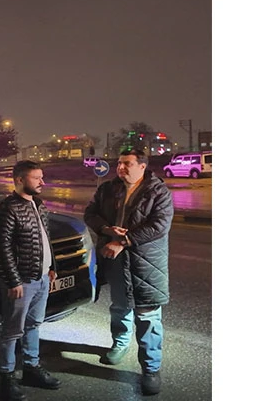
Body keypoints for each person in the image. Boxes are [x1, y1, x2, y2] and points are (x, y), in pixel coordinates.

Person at [83, 149, 174, 396]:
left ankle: (151, 369)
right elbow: (90, 213)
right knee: (120, 306)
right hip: (115, 261)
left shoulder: (158, 191)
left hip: (146, 263)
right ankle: (120, 344)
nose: (121, 168)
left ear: (142, 166)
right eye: (119, 163)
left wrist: (123, 241)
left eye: (127, 164)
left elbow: (159, 225)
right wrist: (106, 228)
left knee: (148, 315)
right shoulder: (108, 189)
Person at [0, 160, 62, 401]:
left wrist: (52, 267)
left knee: (34, 325)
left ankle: (31, 368)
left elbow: (44, 239)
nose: (43, 182)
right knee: (11, 331)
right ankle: (6, 378)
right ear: (20, 180)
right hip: (21, 281)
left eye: (42, 177)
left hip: (41, 277)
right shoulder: (6, 209)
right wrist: (13, 281)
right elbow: (0, 248)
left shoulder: (38, 205)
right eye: (36, 178)